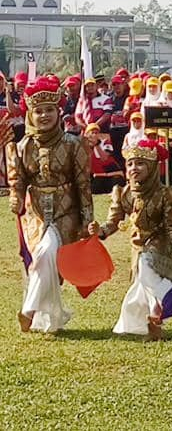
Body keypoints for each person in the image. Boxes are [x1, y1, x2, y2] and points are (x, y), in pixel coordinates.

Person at [8, 75, 92, 333]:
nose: (44, 116)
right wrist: (16, 195)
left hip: (66, 210)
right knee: (42, 261)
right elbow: (18, 178)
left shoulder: (72, 144)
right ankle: (52, 317)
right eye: (39, 111)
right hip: (35, 212)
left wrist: (87, 218)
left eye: (49, 110)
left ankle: (29, 309)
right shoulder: (24, 146)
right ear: (31, 114)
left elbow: (83, 184)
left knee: (47, 252)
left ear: (58, 112)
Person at [88, 139, 172, 340]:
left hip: (160, 244)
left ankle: (155, 312)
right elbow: (114, 221)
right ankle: (158, 312)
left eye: (141, 163)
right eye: (130, 163)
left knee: (145, 267)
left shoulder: (164, 193)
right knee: (143, 277)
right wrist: (100, 231)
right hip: (137, 245)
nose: (134, 168)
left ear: (152, 167)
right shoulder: (123, 193)